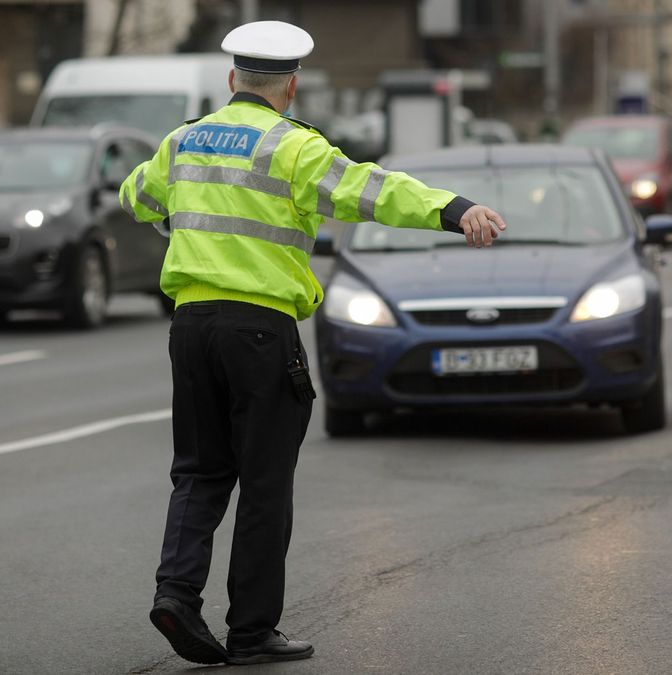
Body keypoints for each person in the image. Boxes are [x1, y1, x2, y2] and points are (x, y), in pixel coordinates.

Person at [118, 20, 508, 666]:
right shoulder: (292, 147)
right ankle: (250, 630)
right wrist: (452, 207)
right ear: (291, 87)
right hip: (260, 329)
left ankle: (176, 594)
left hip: (190, 326)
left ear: (231, 80)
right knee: (264, 482)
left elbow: (138, 196)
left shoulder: (182, 143)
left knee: (199, 470)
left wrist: (174, 213)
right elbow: (370, 191)